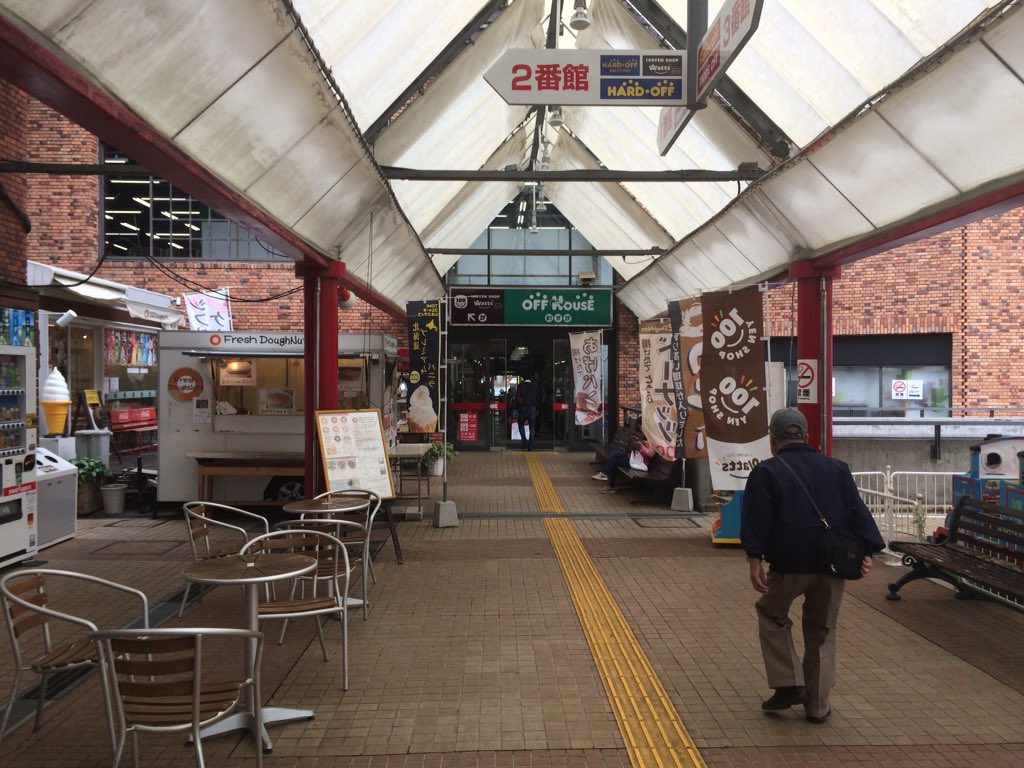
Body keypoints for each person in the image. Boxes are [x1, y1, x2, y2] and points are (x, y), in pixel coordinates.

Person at [741, 408, 883, 725]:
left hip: (789, 565)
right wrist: (867, 551)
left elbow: (756, 520)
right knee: (823, 630)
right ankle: (817, 706)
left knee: (771, 613)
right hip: (833, 566)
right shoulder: (837, 469)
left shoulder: (768, 471)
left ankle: (790, 682)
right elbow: (858, 513)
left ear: (773, 439)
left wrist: (754, 559)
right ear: (806, 435)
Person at [516, 373, 540, 451]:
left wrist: (517, 407)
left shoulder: (521, 386)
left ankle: (524, 441)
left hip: (523, 408)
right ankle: (530, 446)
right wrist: (538, 409)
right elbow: (538, 398)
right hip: (532, 408)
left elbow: (517, 398)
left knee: (520, 424)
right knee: (532, 428)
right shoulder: (535, 386)